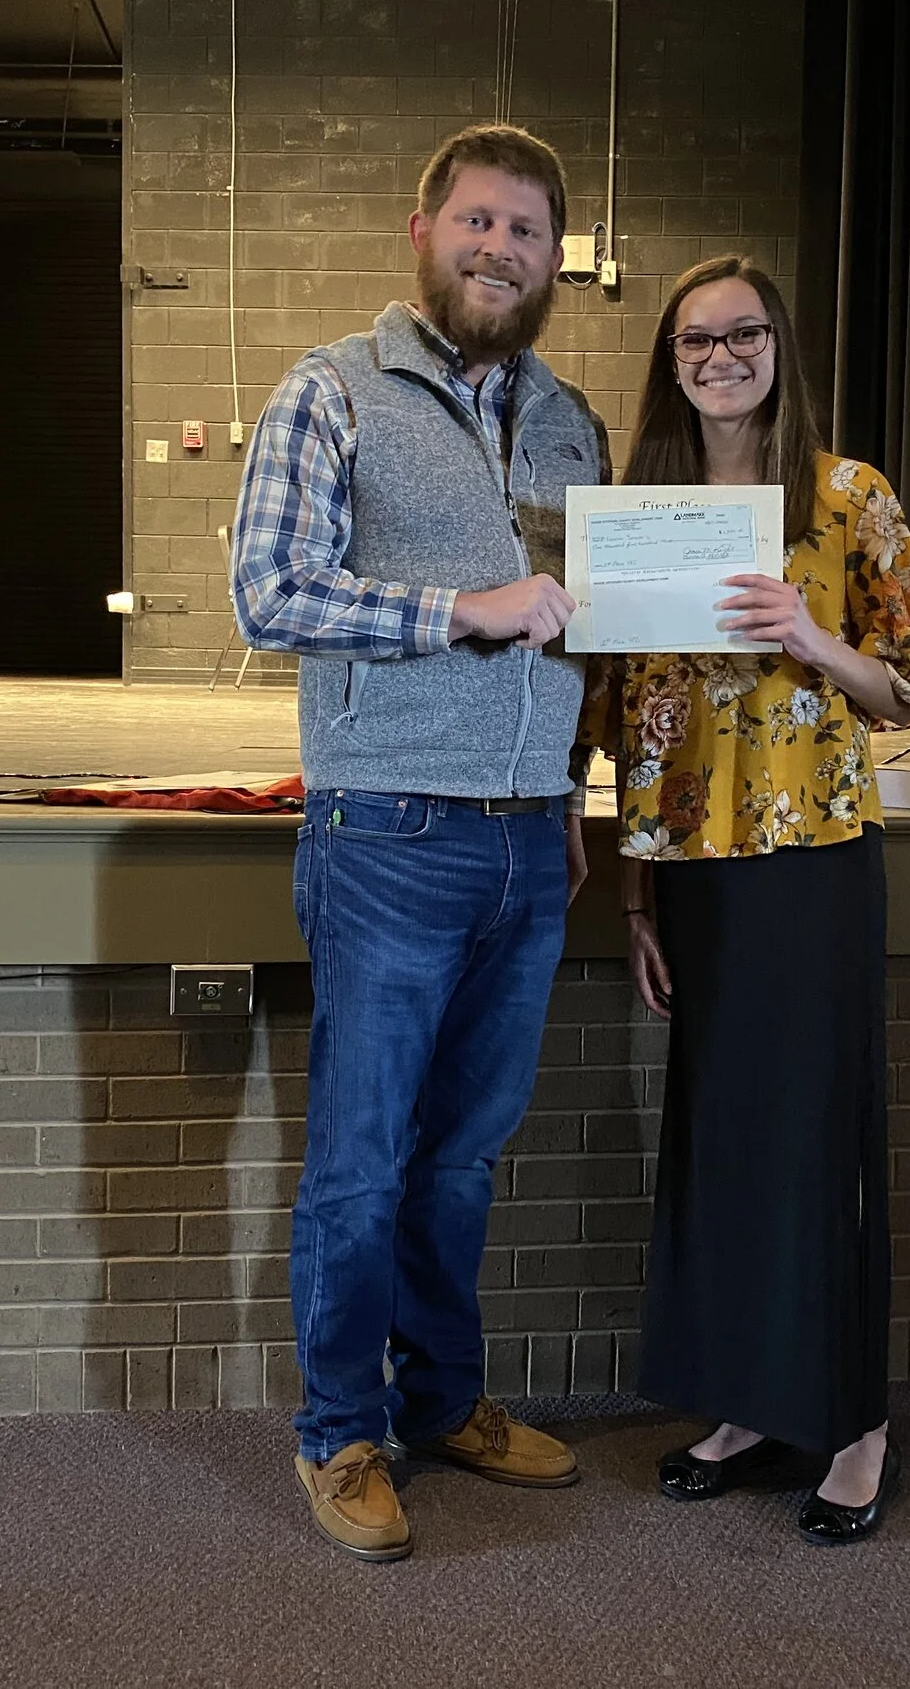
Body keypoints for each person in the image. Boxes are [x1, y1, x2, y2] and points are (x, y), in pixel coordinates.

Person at [229, 125, 609, 1564]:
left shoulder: (570, 419)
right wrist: (469, 606)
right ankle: (340, 1429)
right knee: (362, 1159)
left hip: (527, 846)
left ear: (554, 260)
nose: (500, 249)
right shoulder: (331, 391)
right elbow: (270, 592)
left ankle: (445, 1396)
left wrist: (565, 795)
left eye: (528, 231)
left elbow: (583, 625)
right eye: (479, 221)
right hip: (387, 830)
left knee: (462, 1160)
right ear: (423, 229)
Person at [585, 254, 910, 1545]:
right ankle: (745, 1401)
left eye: (744, 333)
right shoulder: (642, 509)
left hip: (811, 861)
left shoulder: (847, 499)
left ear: (781, 345)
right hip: (690, 867)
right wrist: (635, 898)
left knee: (816, 1143)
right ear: (670, 361)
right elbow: (638, 713)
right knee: (724, 1140)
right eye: (696, 341)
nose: (721, 355)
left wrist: (809, 634)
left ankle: (854, 1422)